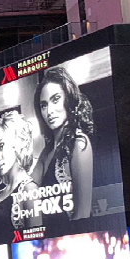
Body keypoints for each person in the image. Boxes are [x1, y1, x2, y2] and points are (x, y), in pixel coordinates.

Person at [34, 66, 95, 222]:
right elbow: (26, 193)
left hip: (72, 240)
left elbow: (82, 214)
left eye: (55, 100)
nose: (49, 111)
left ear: (68, 99)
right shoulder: (46, 153)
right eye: (43, 105)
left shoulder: (79, 144)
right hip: (45, 241)